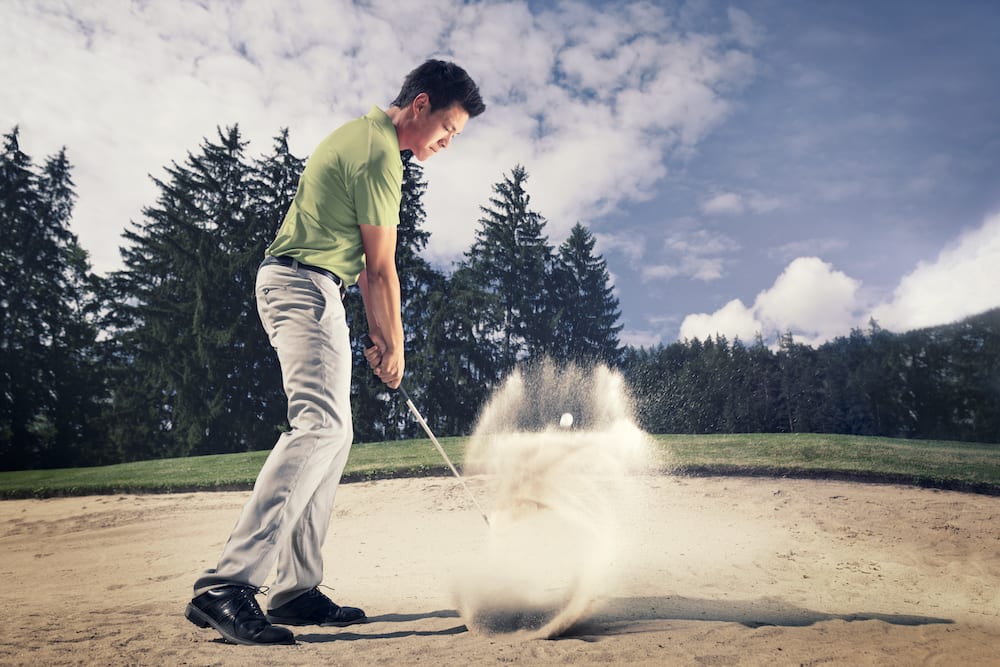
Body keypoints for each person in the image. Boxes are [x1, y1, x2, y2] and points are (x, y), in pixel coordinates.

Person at [185, 59, 486, 646]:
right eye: (449, 128)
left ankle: (296, 589)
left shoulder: (367, 138)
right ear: (420, 106)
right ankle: (227, 585)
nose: (449, 141)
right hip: (303, 283)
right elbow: (379, 270)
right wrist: (394, 347)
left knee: (334, 432)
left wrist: (380, 336)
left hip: (312, 285)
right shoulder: (378, 153)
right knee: (319, 425)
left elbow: (367, 270)